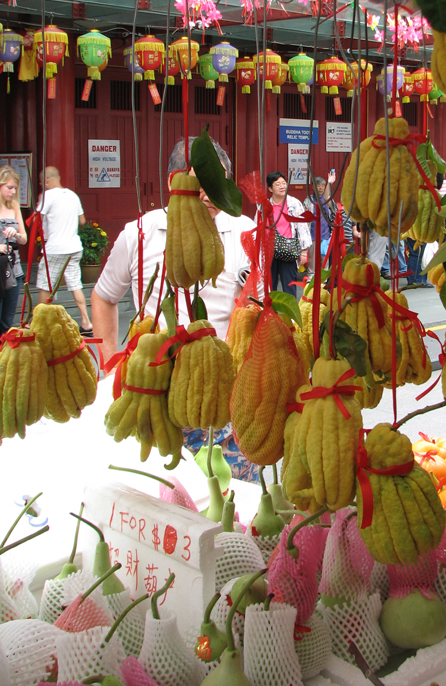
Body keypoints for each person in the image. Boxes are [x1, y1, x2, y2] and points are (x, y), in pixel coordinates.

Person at [92, 138, 257, 481]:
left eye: (219, 182)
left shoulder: (245, 232)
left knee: (233, 506)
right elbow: (104, 296)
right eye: (201, 183)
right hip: (154, 397)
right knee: (159, 503)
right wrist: (111, 365)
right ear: (173, 183)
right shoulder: (139, 233)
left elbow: (257, 310)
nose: (211, 194)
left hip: (221, 399)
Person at [37, 166, 92, 334]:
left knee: (45, 284)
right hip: (74, 246)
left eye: (42, 183)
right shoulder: (73, 195)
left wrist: (41, 201)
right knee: (75, 284)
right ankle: (86, 322)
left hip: (55, 247)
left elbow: (37, 218)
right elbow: (82, 220)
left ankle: (40, 322)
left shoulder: (48, 196)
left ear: (46, 180)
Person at [267, 171, 311, 297]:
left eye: (283, 183)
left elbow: (302, 227)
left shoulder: (294, 203)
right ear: (270, 188)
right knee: (270, 287)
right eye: (277, 184)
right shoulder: (264, 205)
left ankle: (291, 316)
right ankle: (271, 314)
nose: (282, 186)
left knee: (290, 286)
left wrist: (304, 251)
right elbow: (257, 227)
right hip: (270, 252)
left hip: (289, 250)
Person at [0, 166, 27, 336]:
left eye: (15, 188)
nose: (12, 191)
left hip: (13, 268)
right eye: (9, 187)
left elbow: (24, 238)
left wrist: (16, 234)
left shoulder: (14, 206)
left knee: (8, 320)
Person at [303, 171, 336, 272]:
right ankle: (311, 273)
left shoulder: (327, 200)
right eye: (318, 186)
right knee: (313, 256)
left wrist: (330, 183)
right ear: (313, 187)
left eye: (323, 186)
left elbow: (334, 210)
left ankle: (324, 274)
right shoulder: (308, 199)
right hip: (312, 231)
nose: (321, 188)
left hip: (325, 232)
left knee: (324, 255)